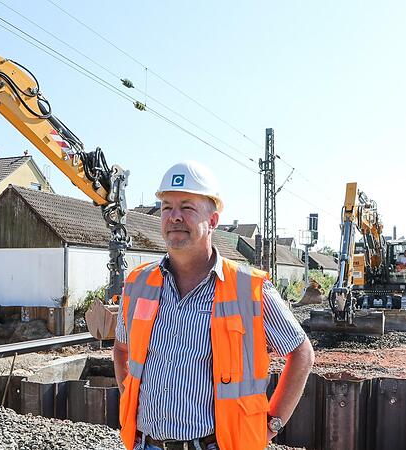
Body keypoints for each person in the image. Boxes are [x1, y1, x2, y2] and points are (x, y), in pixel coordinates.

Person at [114, 161, 315, 450]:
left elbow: (302, 353)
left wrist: (274, 423)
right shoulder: (138, 284)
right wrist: (127, 396)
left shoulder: (249, 289)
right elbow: (121, 349)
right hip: (147, 444)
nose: (174, 217)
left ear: (213, 220)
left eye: (187, 207)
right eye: (167, 207)